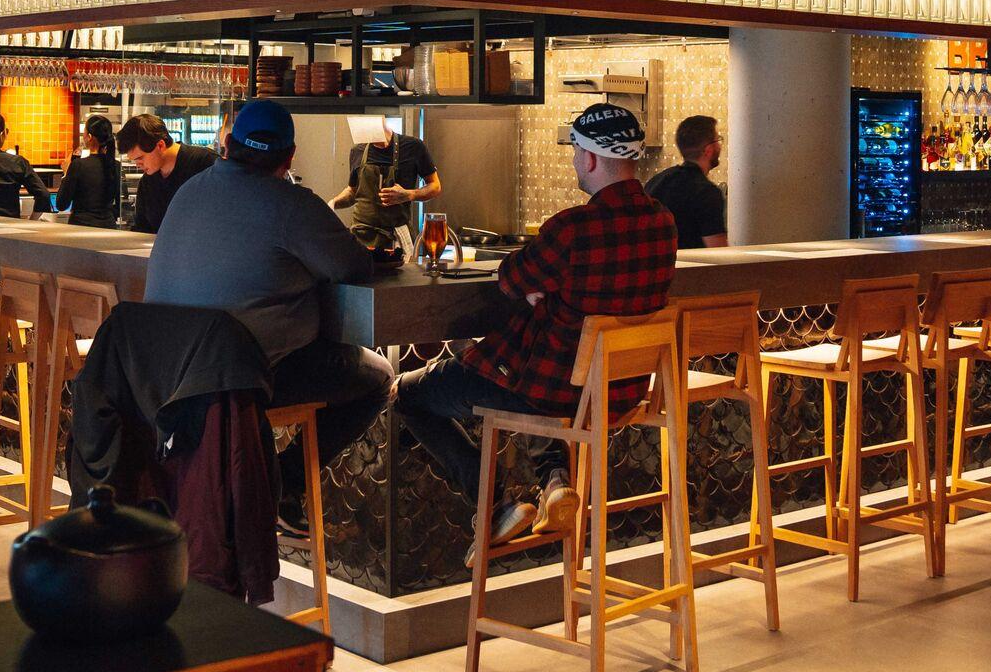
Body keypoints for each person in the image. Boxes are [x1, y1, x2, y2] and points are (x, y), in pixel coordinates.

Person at [393, 102, 676, 547]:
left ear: (589, 158)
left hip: (553, 390)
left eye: (574, 153)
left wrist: (536, 288)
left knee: (409, 393)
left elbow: (511, 279)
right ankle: (554, 480)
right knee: (529, 382)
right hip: (619, 393)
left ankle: (494, 506)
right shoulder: (664, 223)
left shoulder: (573, 227)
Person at [144, 99, 394, 531]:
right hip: (239, 381)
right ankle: (280, 483)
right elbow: (353, 267)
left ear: (229, 144)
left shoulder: (190, 189)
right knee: (379, 376)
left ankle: (262, 481)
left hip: (168, 380)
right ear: (289, 157)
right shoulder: (291, 203)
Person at [330, 119, 441, 250]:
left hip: (395, 237)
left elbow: (435, 186)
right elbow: (352, 192)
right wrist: (331, 204)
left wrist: (410, 194)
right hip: (360, 237)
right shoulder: (357, 150)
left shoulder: (413, 147)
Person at [118, 112, 219, 234]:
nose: (137, 164)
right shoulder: (148, 182)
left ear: (160, 145)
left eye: (140, 158)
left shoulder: (206, 163)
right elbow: (143, 228)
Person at [645, 113, 729, 248]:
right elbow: (717, 250)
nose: (720, 146)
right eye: (717, 140)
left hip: (657, 265)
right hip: (692, 268)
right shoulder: (706, 192)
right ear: (708, 150)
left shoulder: (656, 181)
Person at [57, 114, 123, 227]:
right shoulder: (116, 166)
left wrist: (66, 173)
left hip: (81, 228)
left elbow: (61, 204)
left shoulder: (78, 165)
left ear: (90, 137)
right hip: (108, 228)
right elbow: (120, 203)